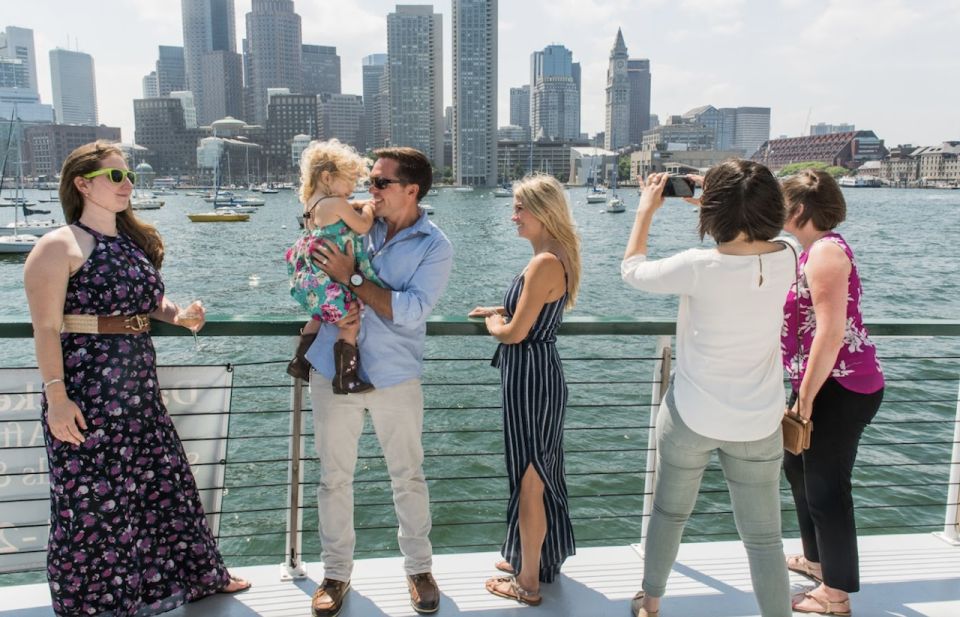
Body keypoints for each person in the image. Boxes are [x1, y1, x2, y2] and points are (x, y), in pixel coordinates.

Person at [23, 141, 249, 617]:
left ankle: (201, 576)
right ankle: (97, 604)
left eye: (129, 177)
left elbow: (145, 304)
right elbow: (45, 328)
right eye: (116, 177)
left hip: (138, 388)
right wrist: (57, 398)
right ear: (83, 183)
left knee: (163, 486)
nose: (127, 185)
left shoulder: (129, 244)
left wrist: (181, 315)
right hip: (87, 391)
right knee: (93, 505)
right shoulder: (57, 245)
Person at [621, 161, 795, 617]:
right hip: (759, 421)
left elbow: (632, 270)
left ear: (715, 210)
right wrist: (722, 204)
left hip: (692, 416)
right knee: (763, 539)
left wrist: (646, 210)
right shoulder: (789, 256)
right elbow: (760, 236)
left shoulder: (698, 265)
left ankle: (651, 601)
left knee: (670, 514)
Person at [305, 147, 453, 617]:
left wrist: (350, 279)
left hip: (394, 375)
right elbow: (313, 270)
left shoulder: (435, 245)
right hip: (334, 366)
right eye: (370, 181)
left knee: (408, 476)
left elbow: (411, 312)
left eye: (381, 183)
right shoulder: (350, 220)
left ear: (412, 190)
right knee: (333, 480)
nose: (371, 191)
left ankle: (419, 570)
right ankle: (335, 574)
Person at [468, 174, 582, 606]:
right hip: (536, 375)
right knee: (535, 473)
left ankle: (528, 583)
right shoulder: (554, 257)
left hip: (530, 377)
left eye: (521, 208)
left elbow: (515, 333)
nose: (513, 215)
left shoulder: (544, 262)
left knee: (531, 478)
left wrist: (495, 323)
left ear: (544, 211)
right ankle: (532, 559)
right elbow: (534, 310)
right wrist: (504, 308)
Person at [780, 170, 884, 616]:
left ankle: (836, 595)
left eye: (782, 203)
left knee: (826, 486)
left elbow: (830, 332)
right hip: (820, 383)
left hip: (838, 386)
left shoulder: (824, 253)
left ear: (800, 209)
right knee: (797, 469)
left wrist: (804, 397)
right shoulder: (810, 249)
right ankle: (819, 561)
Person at [284, 139, 381, 393]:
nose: (352, 188)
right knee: (350, 321)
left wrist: (352, 205)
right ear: (327, 177)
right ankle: (345, 377)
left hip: (316, 275)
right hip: (335, 273)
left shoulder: (312, 206)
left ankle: (301, 360)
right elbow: (362, 226)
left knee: (318, 315)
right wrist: (368, 210)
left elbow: (340, 213)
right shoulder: (336, 204)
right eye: (349, 180)